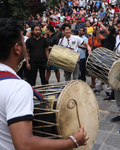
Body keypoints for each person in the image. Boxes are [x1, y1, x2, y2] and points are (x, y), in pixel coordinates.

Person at [0, 18, 88, 150]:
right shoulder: (17, 88)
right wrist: (72, 141)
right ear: (17, 48)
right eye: (22, 42)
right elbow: (24, 145)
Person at [88, 24, 105, 89]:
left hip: (100, 56)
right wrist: (89, 51)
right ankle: (93, 84)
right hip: (92, 56)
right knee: (92, 70)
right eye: (94, 29)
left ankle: (100, 85)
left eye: (96, 29)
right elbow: (89, 46)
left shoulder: (102, 38)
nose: (94, 31)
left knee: (100, 71)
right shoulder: (90, 38)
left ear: (99, 30)